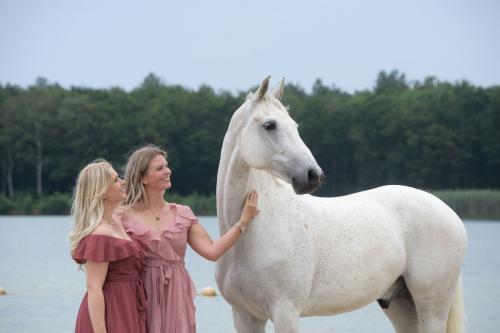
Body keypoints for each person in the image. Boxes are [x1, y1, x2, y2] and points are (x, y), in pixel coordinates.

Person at [119, 144, 259, 333]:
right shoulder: (122, 216)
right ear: (143, 178)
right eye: (159, 168)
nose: (167, 171)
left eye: (167, 166)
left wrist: (243, 222)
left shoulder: (183, 214)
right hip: (139, 293)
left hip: (176, 295)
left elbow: (212, 251)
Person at [69, 160, 147, 333]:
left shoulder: (117, 222)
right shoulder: (100, 234)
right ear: (102, 191)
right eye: (115, 180)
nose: (122, 182)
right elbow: (94, 288)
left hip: (129, 308)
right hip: (110, 314)